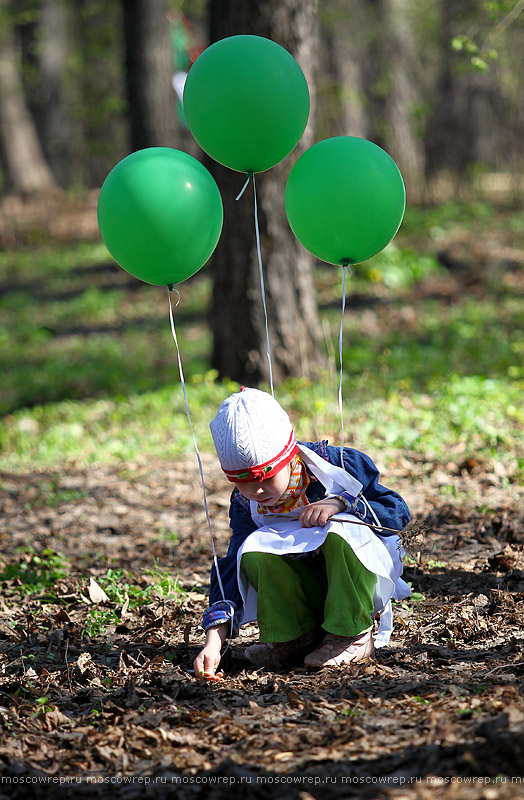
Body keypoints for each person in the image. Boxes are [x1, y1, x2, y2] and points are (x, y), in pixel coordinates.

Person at [193, 388, 411, 680]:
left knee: (340, 530)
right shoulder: (246, 503)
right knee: (251, 548)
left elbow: (396, 511)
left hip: (355, 584)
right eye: (240, 481)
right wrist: (214, 642)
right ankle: (295, 635)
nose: (256, 491)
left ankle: (351, 634)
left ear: (289, 454)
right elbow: (232, 565)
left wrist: (341, 503)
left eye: (265, 476)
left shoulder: (336, 466)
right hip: (304, 589)